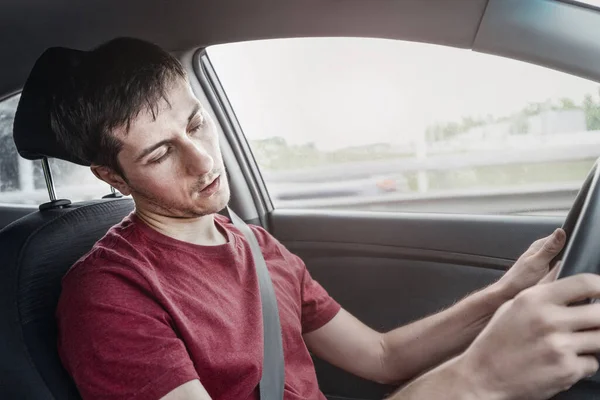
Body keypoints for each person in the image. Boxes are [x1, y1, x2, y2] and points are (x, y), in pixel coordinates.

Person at [52, 38, 600, 400]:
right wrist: (481, 377)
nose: (201, 160)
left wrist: (506, 292)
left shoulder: (256, 245)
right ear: (114, 179)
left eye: (196, 125)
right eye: (159, 154)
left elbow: (382, 357)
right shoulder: (108, 294)